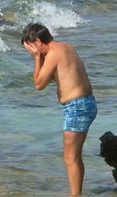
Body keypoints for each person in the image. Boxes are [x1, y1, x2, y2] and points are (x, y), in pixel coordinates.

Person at [21, 23, 96, 195]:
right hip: (86, 102)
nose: (31, 52)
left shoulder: (53, 54)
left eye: (30, 48)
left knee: (70, 157)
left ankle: (75, 194)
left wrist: (36, 58)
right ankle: (77, 192)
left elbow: (39, 84)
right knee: (74, 156)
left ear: (38, 41)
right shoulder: (66, 47)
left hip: (77, 107)